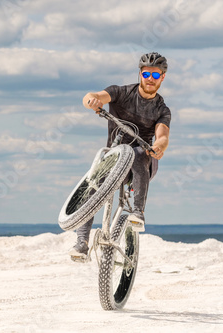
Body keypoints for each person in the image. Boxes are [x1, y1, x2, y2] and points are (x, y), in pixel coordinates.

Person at [69, 52, 171, 261]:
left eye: (156, 74)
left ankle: (138, 212)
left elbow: (162, 136)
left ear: (162, 77)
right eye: (146, 73)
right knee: (93, 185)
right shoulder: (121, 92)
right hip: (115, 162)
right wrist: (92, 100)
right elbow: (95, 95)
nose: (150, 78)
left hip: (143, 163)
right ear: (140, 74)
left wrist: (158, 147)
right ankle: (81, 243)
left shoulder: (162, 109)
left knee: (138, 152)